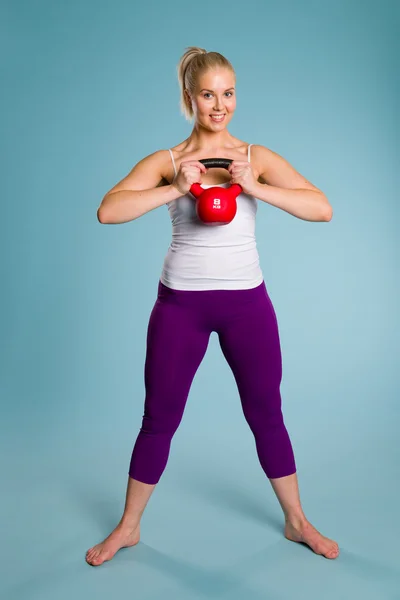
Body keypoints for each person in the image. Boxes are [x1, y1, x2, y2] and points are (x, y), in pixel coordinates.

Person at [86, 46, 338, 567]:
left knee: (267, 412)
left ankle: (296, 521)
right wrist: (173, 187)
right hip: (180, 307)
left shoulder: (255, 156)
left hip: (247, 305)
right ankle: (128, 528)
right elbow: (108, 211)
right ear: (189, 97)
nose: (219, 105)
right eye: (208, 95)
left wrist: (258, 187)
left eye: (228, 94)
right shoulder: (167, 161)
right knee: (159, 418)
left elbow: (322, 207)